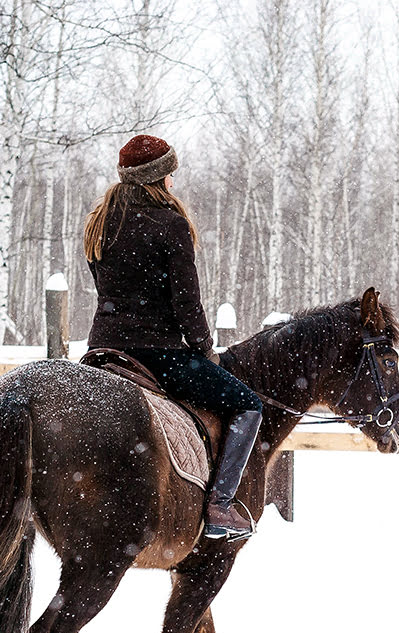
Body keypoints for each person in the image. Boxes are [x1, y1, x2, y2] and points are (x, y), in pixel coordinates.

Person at [83, 134, 263, 541]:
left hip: (102, 349)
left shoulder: (100, 224)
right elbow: (186, 303)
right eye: (170, 175)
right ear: (160, 179)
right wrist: (204, 349)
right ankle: (219, 505)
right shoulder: (172, 225)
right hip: (158, 353)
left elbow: (104, 288)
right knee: (248, 406)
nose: (173, 183)